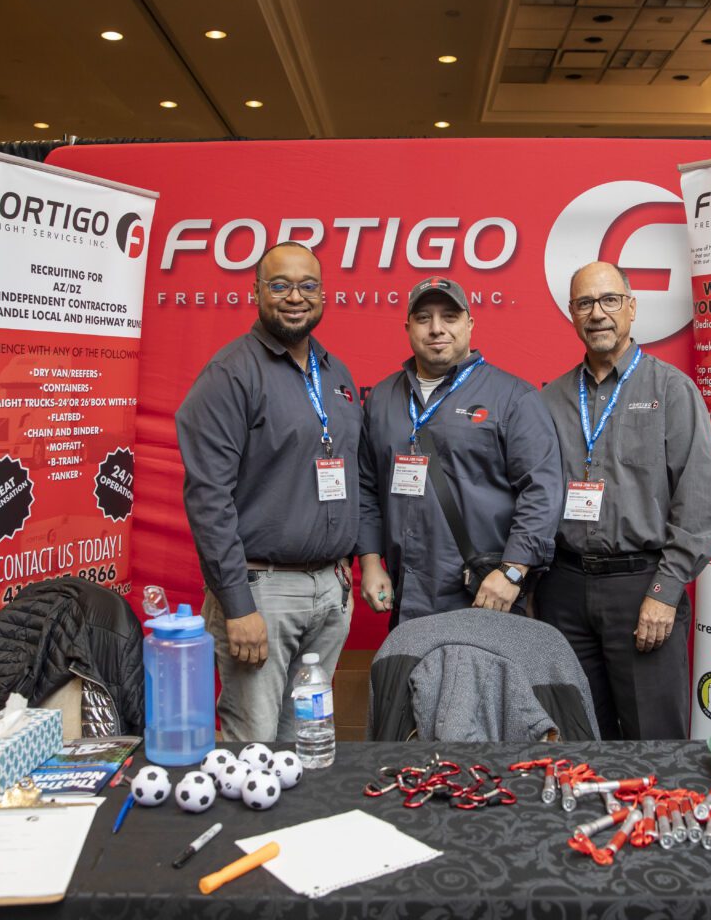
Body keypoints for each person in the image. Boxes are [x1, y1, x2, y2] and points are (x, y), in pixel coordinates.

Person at [175, 243, 360, 742]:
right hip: (262, 592)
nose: (295, 297)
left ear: (323, 294)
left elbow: (353, 473)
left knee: (308, 741)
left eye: (307, 286)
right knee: (255, 745)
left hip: (331, 590)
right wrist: (237, 605)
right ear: (255, 292)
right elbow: (208, 498)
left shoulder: (335, 372)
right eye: (280, 285)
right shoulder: (230, 374)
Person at [534, 261, 711, 740]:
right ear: (572, 314)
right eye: (585, 303)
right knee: (576, 736)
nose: (597, 313)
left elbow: (699, 505)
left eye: (609, 300)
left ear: (632, 308)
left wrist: (664, 591)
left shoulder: (671, 390)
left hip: (641, 587)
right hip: (564, 590)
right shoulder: (550, 399)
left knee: (653, 742)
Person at [358, 276, 562, 621]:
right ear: (408, 328)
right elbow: (366, 487)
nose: (437, 328)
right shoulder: (381, 398)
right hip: (407, 596)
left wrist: (513, 571)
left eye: (449, 317)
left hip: (484, 595)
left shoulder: (513, 397)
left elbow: (542, 491)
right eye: (424, 318)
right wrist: (369, 563)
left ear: (470, 324)